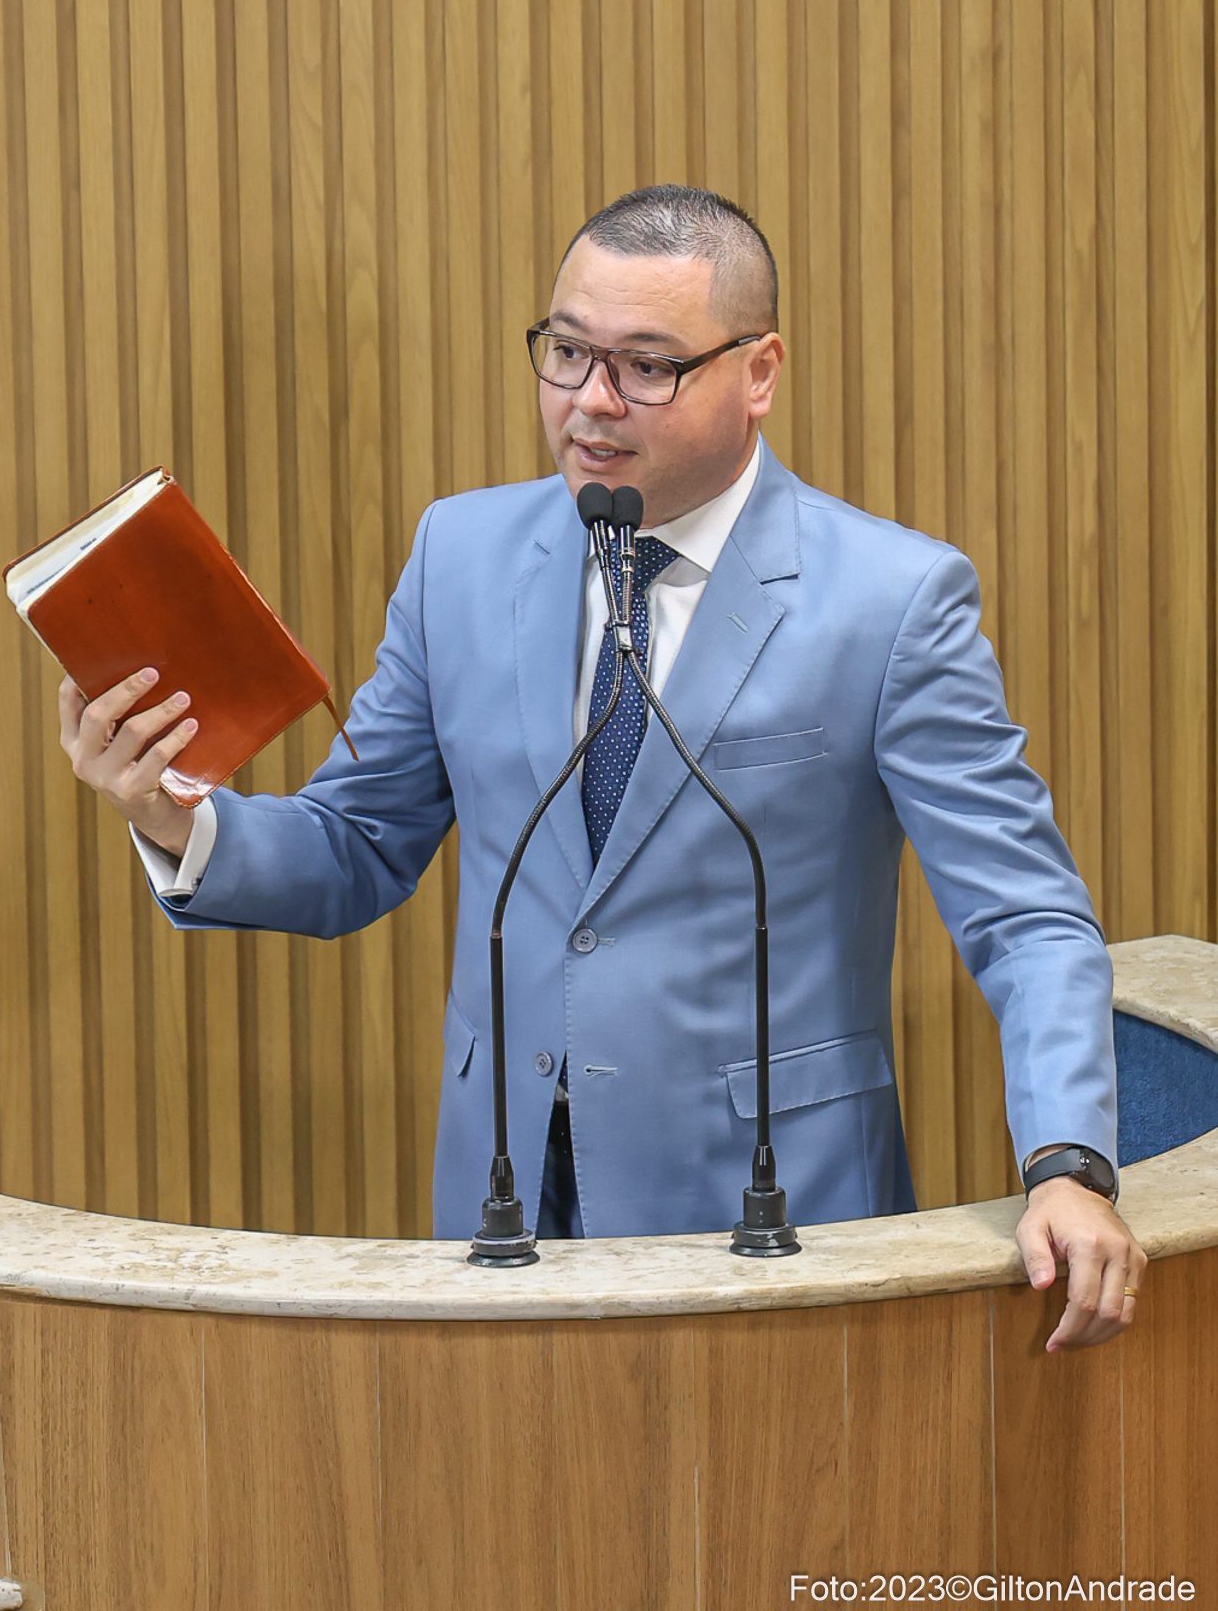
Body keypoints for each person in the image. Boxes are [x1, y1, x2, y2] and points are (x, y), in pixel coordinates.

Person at [59, 184, 1144, 1351]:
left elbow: (1026, 915)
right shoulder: (461, 555)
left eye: (646, 366)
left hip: (772, 1215)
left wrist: (1067, 1162)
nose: (590, 400)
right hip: (507, 1200)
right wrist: (173, 813)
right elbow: (356, 843)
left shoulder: (891, 600)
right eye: (567, 351)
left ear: (759, 370)